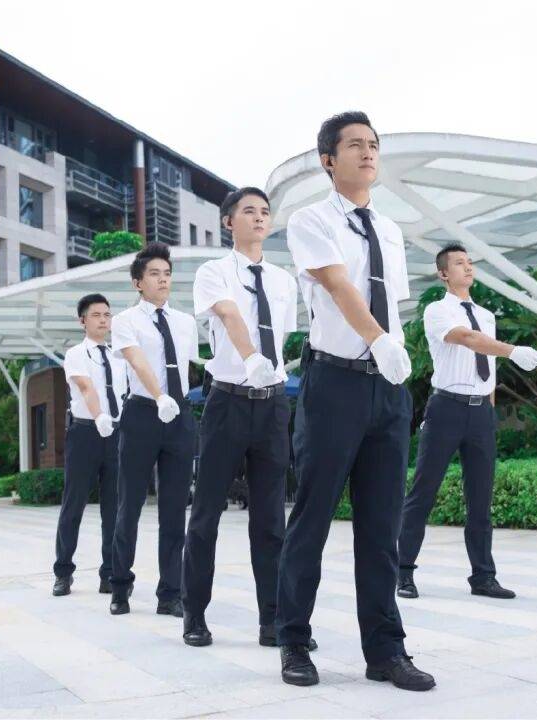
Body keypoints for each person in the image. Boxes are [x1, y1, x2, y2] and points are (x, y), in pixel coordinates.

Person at [274, 111, 434, 692]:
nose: (368, 153)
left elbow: (394, 303)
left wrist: (395, 354)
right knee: (312, 517)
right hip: (334, 384)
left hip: (387, 388)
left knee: (381, 525)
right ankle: (293, 639)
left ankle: (386, 651)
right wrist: (378, 341)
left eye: (374, 145)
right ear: (328, 160)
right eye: (355, 145)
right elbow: (339, 286)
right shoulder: (310, 220)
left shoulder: (389, 230)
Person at [182, 187, 313, 650]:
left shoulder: (283, 281)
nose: (259, 218)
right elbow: (229, 313)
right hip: (227, 402)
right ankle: (194, 614)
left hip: (273, 405)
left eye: (264, 212)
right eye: (249, 211)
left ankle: (272, 620)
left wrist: (266, 367)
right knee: (205, 515)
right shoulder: (213, 272)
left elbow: (285, 334)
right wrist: (250, 356)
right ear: (228, 222)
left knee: (271, 520)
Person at [397, 243, 537, 601]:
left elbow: (487, 366)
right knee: (423, 493)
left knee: (480, 498)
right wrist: (512, 351)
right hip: (446, 408)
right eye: (459, 263)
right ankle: (403, 572)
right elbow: (466, 339)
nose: (468, 267)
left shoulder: (486, 315)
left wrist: (489, 410)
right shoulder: (437, 310)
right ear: (443, 273)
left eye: (470, 262)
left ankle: (483, 577)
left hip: (480, 412)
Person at [106, 242, 199, 618]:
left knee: (175, 511)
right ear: (138, 283)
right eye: (155, 274)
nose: (163, 280)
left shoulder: (185, 322)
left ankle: (170, 593)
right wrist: (159, 396)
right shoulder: (126, 320)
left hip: (179, 417)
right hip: (143, 414)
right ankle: (120, 586)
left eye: (167, 274)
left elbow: (188, 365)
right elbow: (137, 360)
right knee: (128, 506)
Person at [52, 293, 127, 597]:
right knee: (74, 505)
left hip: (116, 436)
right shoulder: (75, 354)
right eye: (96, 315)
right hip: (85, 434)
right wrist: (99, 417)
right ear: (82, 320)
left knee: (114, 509)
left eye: (107, 315)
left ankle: (109, 574)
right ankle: (63, 572)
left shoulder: (119, 356)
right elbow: (86, 388)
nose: (103, 320)